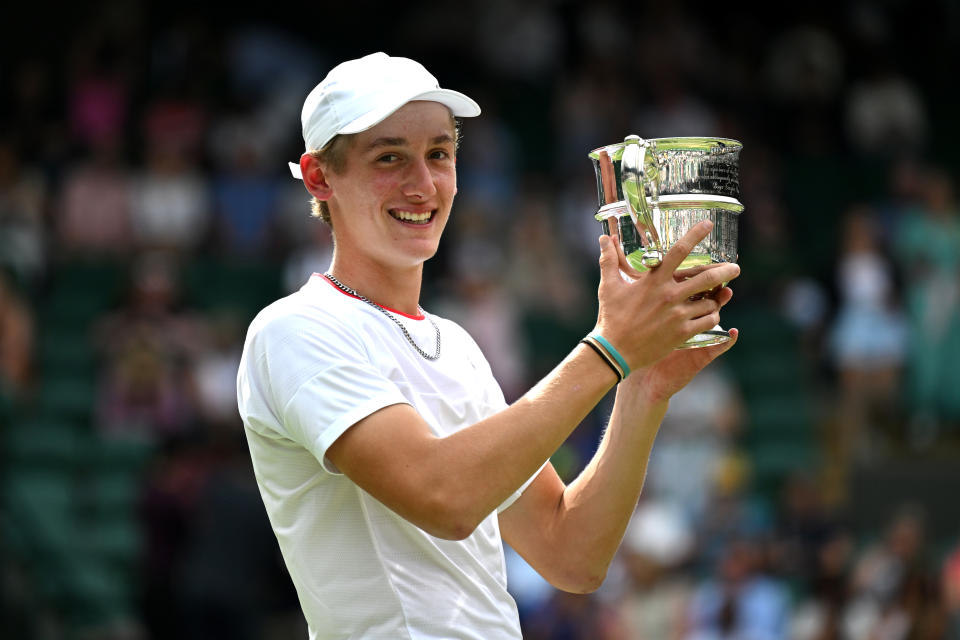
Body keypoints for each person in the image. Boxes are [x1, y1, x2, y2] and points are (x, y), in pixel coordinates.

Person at [236, 52, 740, 639]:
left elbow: (570, 554)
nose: (423, 185)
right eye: (389, 157)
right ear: (320, 176)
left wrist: (641, 387)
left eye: (439, 155)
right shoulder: (294, 329)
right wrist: (610, 349)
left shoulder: (455, 344)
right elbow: (444, 496)